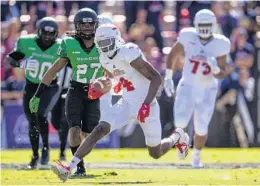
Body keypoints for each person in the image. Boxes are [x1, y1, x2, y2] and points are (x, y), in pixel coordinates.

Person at [50, 24, 190, 182]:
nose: (104, 46)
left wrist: (146, 105)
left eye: (106, 42)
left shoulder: (127, 52)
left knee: (155, 153)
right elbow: (115, 81)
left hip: (147, 104)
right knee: (100, 129)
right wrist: (103, 85)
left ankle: (177, 137)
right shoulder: (103, 58)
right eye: (100, 43)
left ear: (116, 39)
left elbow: (156, 78)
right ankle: (70, 167)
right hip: (126, 102)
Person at [29, 8, 103, 177]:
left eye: (90, 23)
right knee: (74, 129)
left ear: (96, 25)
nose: (86, 27)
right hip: (76, 90)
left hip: (95, 93)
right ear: (77, 26)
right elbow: (54, 69)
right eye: (82, 24)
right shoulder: (69, 43)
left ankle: (77, 159)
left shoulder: (103, 43)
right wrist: (37, 94)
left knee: (90, 132)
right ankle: (80, 167)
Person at [163, 9, 231, 168]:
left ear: (214, 25)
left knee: (201, 126)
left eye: (208, 25)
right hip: (188, 84)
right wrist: (168, 77)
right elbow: (173, 54)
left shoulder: (221, 43)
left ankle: (196, 156)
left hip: (207, 88)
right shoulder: (188, 36)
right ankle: (184, 142)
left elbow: (223, 72)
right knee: (179, 121)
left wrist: (215, 70)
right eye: (202, 25)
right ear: (196, 25)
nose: (205, 28)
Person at [6, 17, 61, 169]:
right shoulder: (26, 42)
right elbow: (9, 60)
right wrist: (21, 63)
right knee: (32, 122)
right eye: (45, 33)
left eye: (52, 33)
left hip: (50, 86)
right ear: (38, 31)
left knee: (41, 114)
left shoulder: (60, 46)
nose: (48, 37)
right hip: (31, 86)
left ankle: (45, 149)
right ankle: (35, 156)